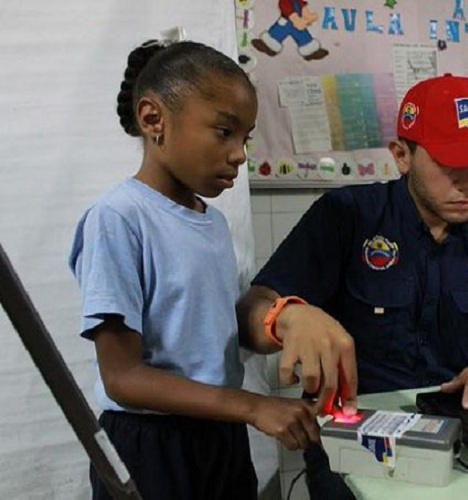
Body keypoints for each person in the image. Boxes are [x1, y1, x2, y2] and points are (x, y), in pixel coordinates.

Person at [69, 38, 319, 500]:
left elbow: (217, 334)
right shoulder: (120, 218)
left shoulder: (215, 223)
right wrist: (253, 406)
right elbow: (122, 377)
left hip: (219, 436)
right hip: (151, 446)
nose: (240, 154)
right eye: (224, 132)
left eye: (245, 137)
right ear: (153, 119)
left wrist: (292, 324)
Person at [237, 74, 468, 420]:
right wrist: (287, 316)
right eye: (450, 164)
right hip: (357, 427)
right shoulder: (348, 216)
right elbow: (249, 313)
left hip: (462, 421)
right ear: (402, 156)